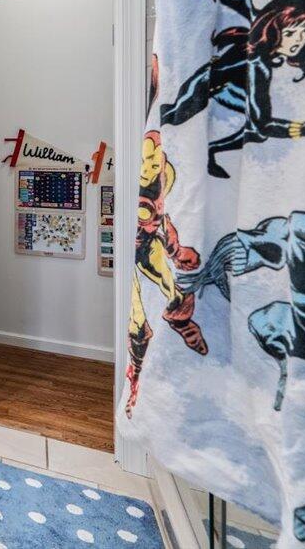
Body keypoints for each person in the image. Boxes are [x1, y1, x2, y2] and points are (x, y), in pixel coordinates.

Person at [179, 207, 305, 542]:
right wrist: (208, 270)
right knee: (264, 320)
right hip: (304, 334)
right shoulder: (301, 234)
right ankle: (278, 381)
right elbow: (243, 244)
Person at [160, 0, 305, 178]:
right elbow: (263, 124)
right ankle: (195, 156)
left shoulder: (260, 31)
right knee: (174, 115)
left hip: (235, 89)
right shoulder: (258, 63)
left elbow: (243, 0)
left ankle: (211, 151)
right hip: (207, 83)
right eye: (290, 33)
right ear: (273, 29)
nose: (299, 41)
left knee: (256, 130)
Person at [124, 130, 203, 417]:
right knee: (136, 319)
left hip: (147, 246)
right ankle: (136, 380)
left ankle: (178, 318)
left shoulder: (161, 182)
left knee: (174, 291)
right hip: (131, 250)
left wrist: (176, 250)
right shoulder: (136, 181)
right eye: (146, 162)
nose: (148, 168)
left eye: (153, 163)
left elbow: (163, 219)